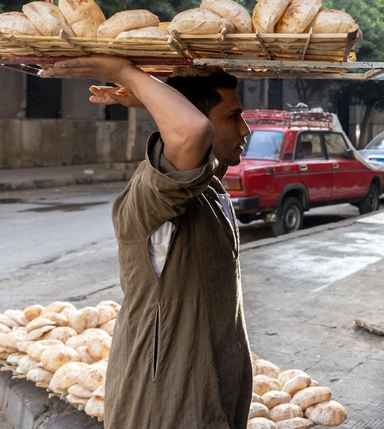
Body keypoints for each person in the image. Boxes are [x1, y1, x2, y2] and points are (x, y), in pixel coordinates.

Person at [41, 56, 253, 429]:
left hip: (214, 394)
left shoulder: (207, 187)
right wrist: (123, 72)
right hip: (165, 405)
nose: (245, 129)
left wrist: (148, 99)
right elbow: (192, 133)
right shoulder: (151, 200)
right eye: (233, 117)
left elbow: (198, 143)